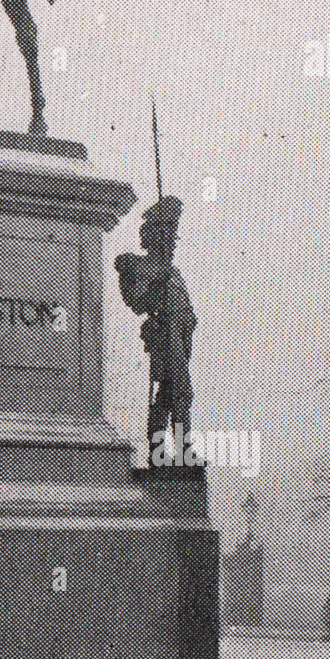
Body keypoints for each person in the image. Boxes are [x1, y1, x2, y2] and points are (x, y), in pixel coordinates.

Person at [115, 194, 197, 463]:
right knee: (180, 392)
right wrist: (154, 286)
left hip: (179, 337)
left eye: (173, 238)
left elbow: (186, 309)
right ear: (154, 238)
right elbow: (136, 302)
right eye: (167, 237)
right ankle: (179, 453)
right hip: (164, 334)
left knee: (169, 394)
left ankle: (160, 454)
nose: (172, 244)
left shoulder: (174, 273)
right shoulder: (142, 267)